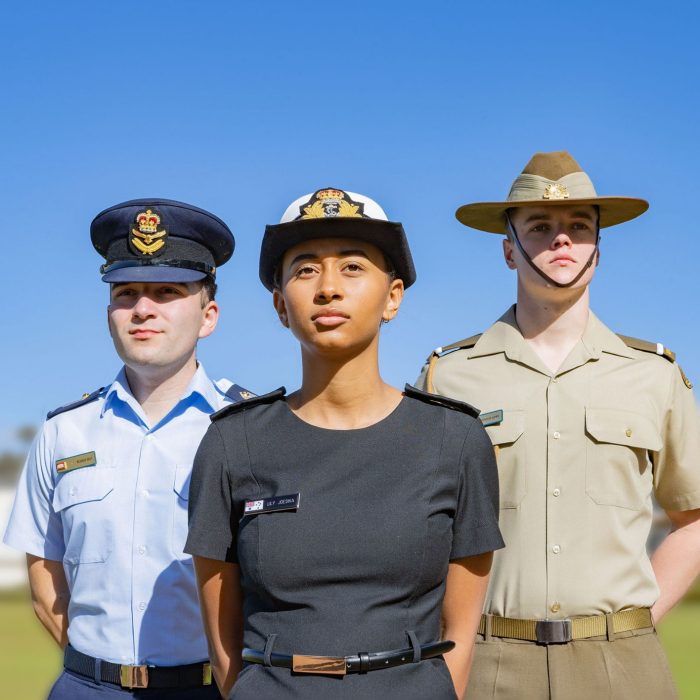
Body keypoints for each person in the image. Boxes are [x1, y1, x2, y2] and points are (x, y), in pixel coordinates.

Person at [184, 187, 505, 699]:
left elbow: (461, 631)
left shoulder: (455, 439)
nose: (328, 288)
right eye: (305, 269)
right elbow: (222, 637)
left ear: (393, 297)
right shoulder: (232, 441)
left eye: (353, 267)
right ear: (280, 305)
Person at [417, 151, 700, 699]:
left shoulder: (654, 375)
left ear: (599, 248)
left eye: (578, 227)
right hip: (488, 662)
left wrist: (638, 619)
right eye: (540, 227)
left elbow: (691, 517)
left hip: (624, 662)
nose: (562, 240)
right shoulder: (447, 377)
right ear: (508, 250)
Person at [4, 198, 253, 699]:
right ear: (109, 312)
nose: (142, 308)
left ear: (208, 316)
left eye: (166, 291)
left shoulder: (252, 429)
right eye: (127, 292)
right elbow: (45, 570)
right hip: (86, 687)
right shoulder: (63, 433)